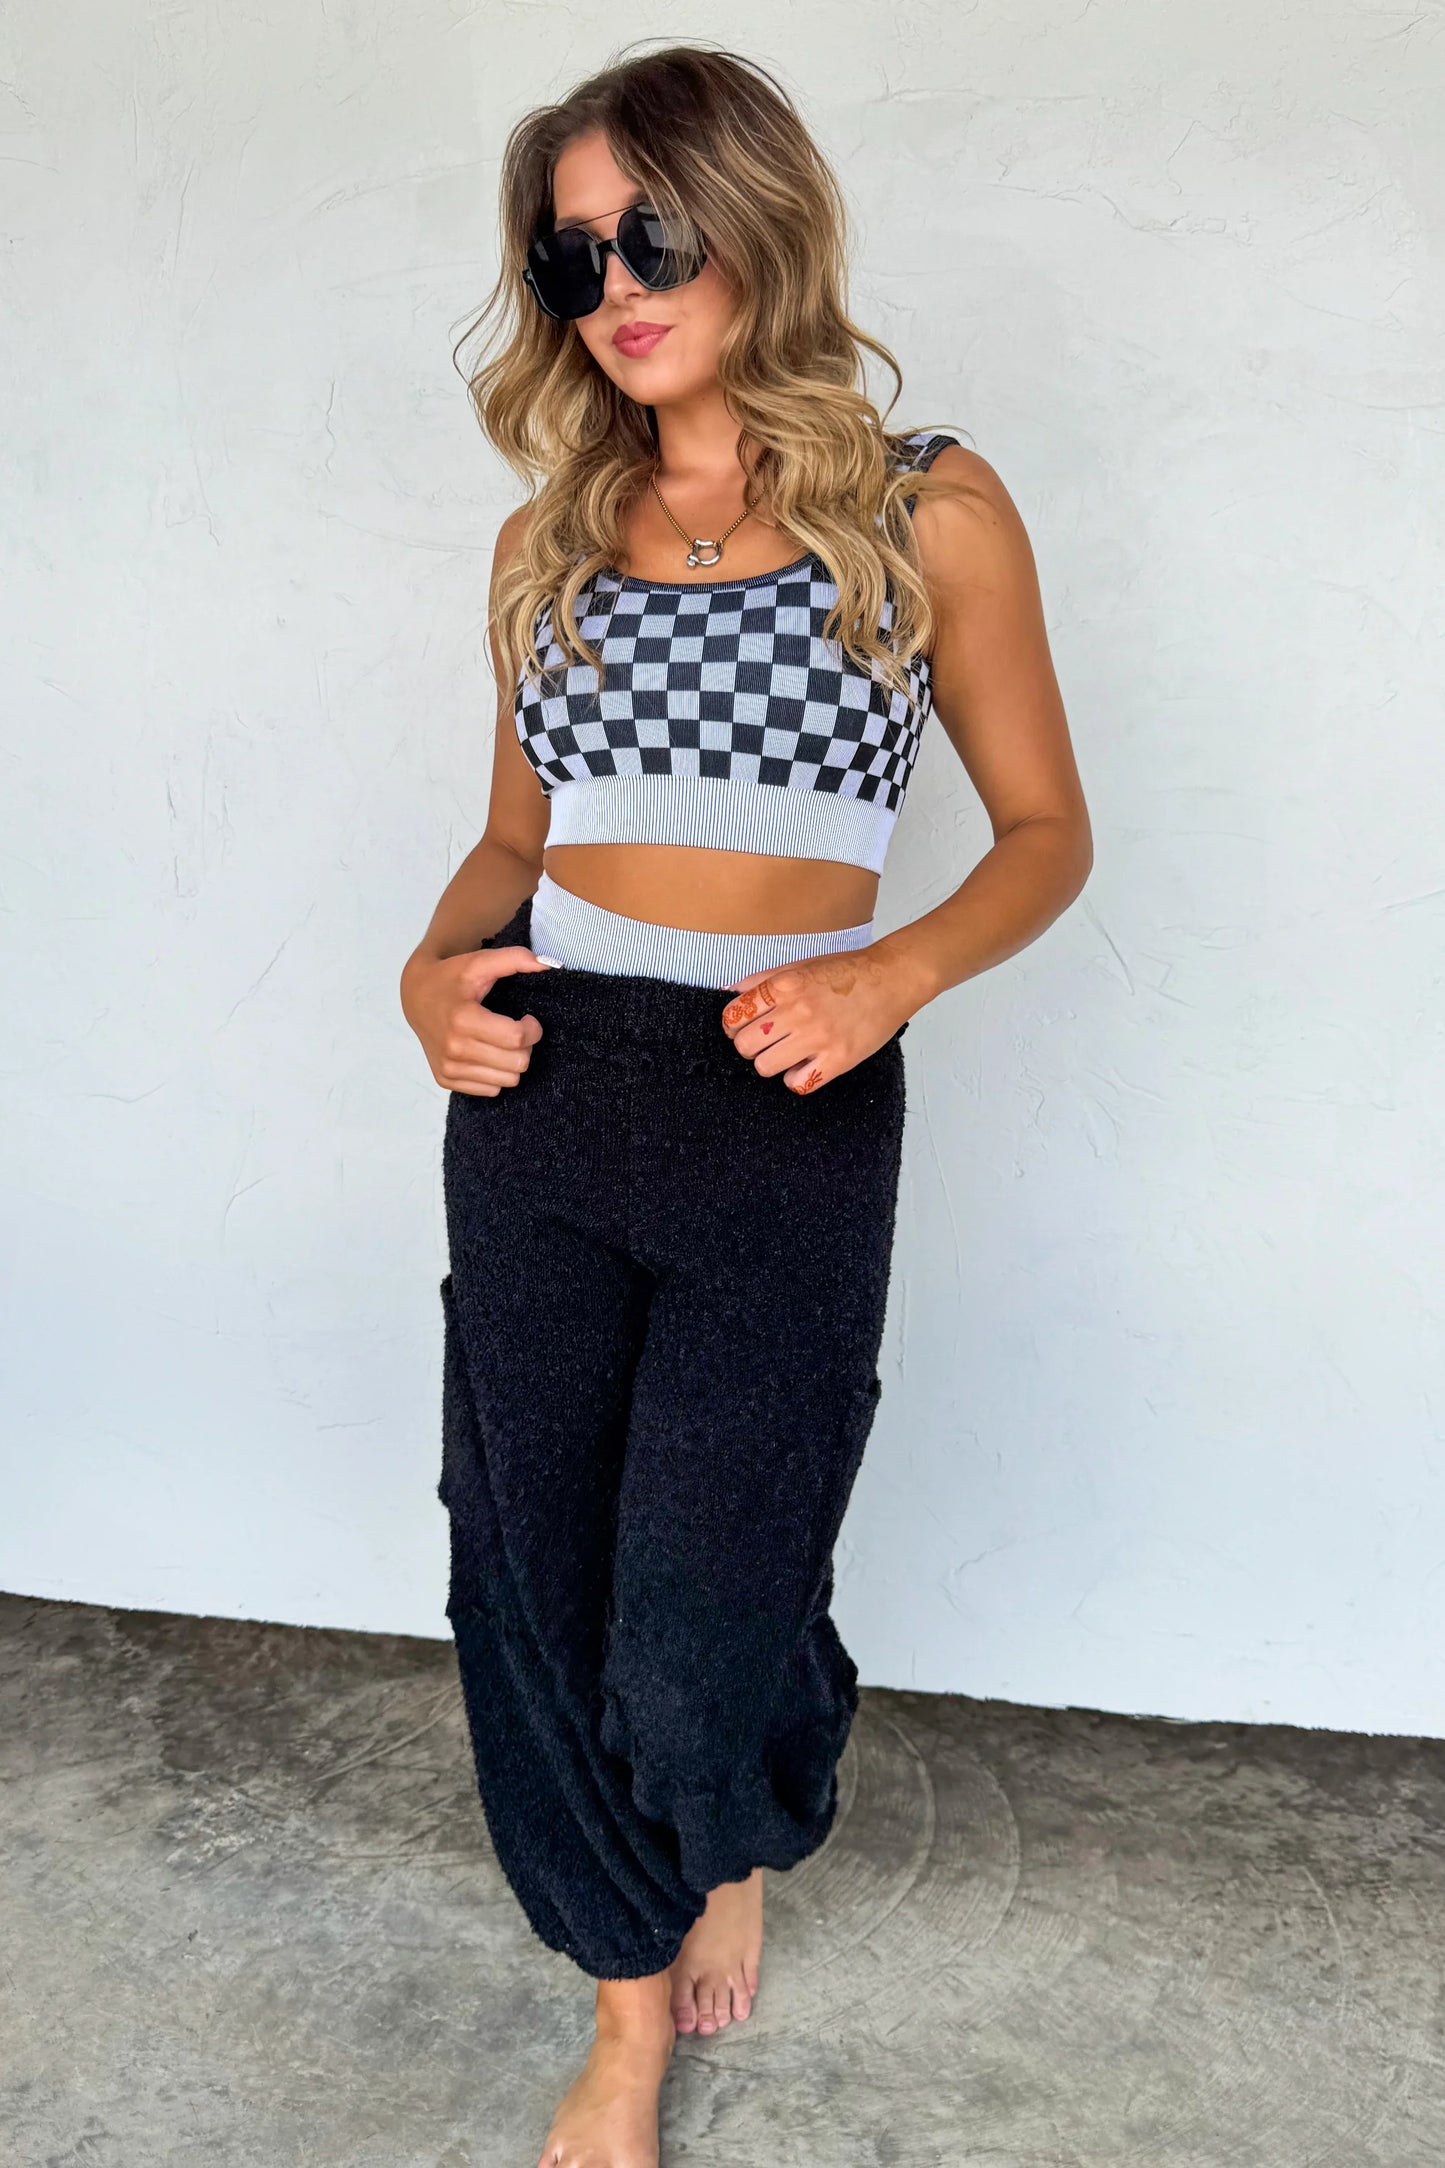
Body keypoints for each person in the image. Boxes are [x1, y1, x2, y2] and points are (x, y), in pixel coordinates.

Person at [399, 42, 1092, 2168]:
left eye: (653, 234)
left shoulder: (924, 506)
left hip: (787, 1093)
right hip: (546, 1091)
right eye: (571, 256)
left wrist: (896, 971)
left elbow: (1045, 833)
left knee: (707, 1600)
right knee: (528, 1572)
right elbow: (510, 843)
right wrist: (427, 973)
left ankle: (736, 1817)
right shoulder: (544, 537)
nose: (613, 285)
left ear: (755, 220)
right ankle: (622, 2012)